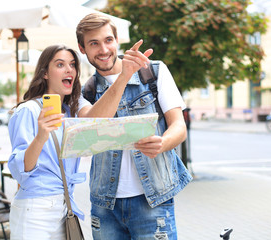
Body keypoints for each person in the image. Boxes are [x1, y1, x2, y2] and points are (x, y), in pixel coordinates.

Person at [8, 43, 149, 239]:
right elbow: (19, 170)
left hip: (64, 207)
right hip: (35, 209)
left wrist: (124, 75)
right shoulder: (28, 111)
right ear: (45, 73)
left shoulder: (71, 110)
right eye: (60, 64)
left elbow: (97, 122)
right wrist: (41, 135)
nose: (69, 70)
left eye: (73, 64)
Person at [76, 13, 193, 239]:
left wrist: (162, 143)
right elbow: (90, 130)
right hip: (105, 205)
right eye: (93, 43)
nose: (103, 49)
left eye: (108, 40)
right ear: (83, 49)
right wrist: (123, 76)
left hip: (153, 200)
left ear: (117, 40)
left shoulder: (154, 71)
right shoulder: (86, 92)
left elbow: (179, 126)